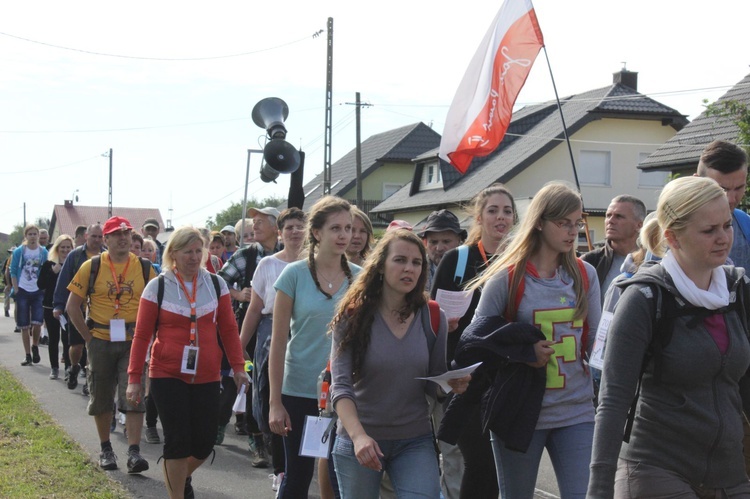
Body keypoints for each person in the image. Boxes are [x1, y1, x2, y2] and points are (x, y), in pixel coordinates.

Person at [588, 175, 750, 498]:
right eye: (709, 230)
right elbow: (612, 401)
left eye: (727, 226)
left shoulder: (738, 292)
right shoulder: (644, 298)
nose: (723, 238)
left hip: (729, 473)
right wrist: (599, 489)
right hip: (656, 470)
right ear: (672, 238)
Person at [468, 181, 601, 498]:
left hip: (578, 411)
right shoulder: (507, 278)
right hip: (520, 411)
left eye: (576, 223)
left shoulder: (585, 275)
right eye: (562, 223)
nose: (572, 232)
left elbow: (598, 343)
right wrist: (523, 353)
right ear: (540, 222)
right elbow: (475, 341)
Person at [329, 228, 470, 499]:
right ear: (381, 265)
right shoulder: (352, 316)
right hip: (360, 438)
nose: (409, 269)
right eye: (400, 260)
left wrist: (450, 384)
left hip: (414, 440)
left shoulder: (432, 316)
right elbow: (341, 387)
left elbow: (434, 382)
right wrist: (359, 437)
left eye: (417, 262)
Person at [128, 226, 249, 499]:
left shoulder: (216, 284)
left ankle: (180, 477)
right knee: (177, 441)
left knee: (205, 443)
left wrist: (238, 367)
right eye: (187, 252)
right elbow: (142, 335)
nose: (194, 258)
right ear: (173, 254)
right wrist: (134, 378)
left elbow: (229, 330)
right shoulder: (157, 286)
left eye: (198, 251)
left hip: (207, 374)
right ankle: (177, 492)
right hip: (166, 373)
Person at [268, 196, 360, 498]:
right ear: (317, 232)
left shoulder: (361, 278)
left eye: (348, 228)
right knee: (297, 476)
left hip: (347, 392)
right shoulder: (293, 275)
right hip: (300, 391)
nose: (345, 235)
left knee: (340, 478)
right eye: (336, 228)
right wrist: (274, 402)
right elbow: (278, 342)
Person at [432, 184, 517, 499]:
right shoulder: (457, 258)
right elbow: (431, 316)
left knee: (502, 470)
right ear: (479, 217)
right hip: (466, 381)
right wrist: (445, 324)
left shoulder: (520, 258)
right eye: (493, 210)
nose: (500, 216)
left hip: (510, 380)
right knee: (479, 463)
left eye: (507, 211)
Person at [65, 216, 156, 473]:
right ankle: (106, 449)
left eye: (127, 233)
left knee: (134, 394)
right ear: (105, 240)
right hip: (100, 340)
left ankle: (134, 452)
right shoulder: (91, 266)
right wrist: (88, 337)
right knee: (102, 397)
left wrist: (150, 338)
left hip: (134, 342)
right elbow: (73, 305)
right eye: (116, 234)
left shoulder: (146, 267)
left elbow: (157, 305)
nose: (123, 237)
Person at [239, 207, 307, 493]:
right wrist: (238, 347)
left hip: (305, 334)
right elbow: (254, 308)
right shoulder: (267, 264)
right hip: (270, 335)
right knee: (272, 398)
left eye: (299, 226)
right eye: (288, 227)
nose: (294, 231)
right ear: (280, 232)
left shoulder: (317, 264)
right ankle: (281, 470)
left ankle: (303, 468)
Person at [54, 223, 103, 393]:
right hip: (77, 309)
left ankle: (89, 381)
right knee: (77, 347)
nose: (97, 240)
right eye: (93, 236)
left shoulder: (106, 257)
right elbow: (63, 281)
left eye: (100, 237)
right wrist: (58, 305)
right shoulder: (75, 256)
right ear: (86, 236)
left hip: (98, 310)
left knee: (93, 346)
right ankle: (74, 367)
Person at [696, 139, 750, 271]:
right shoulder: (670, 226)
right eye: (721, 189)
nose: (731, 199)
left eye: (738, 188)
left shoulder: (746, 225)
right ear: (696, 182)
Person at [582, 195, 646, 301]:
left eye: (619, 216)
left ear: (639, 225)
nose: (610, 221)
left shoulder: (653, 262)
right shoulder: (590, 262)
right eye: (608, 215)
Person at [10, 224, 48, 366]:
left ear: (38, 236)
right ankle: (27, 355)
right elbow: (13, 270)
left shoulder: (43, 252)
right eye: (30, 234)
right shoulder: (20, 251)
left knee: (37, 322)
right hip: (23, 290)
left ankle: (35, 345)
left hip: (37, 290)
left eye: (35, 234)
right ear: (26, 236)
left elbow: (46, 270)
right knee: (24, 324)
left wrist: (44, 288)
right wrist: (16, 288)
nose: (33, 237)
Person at [38, 234, 75, 379]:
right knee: (53, 338)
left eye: (68, 247)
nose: (65, 250)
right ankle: (54, 368)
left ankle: (68, 367)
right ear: (57, 249)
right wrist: (52, 273)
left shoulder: (74, 263)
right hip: (50, 306)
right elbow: (40, 285)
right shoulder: (48, 264)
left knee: (67, 339)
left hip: (69, 306)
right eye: (63, 247)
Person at [418, 209, 467, 291]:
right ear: (425, 243)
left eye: (446, 241)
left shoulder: (472, 268)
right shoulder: (417, 270)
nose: (439, 248)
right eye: (433, 242)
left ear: (459, 241)